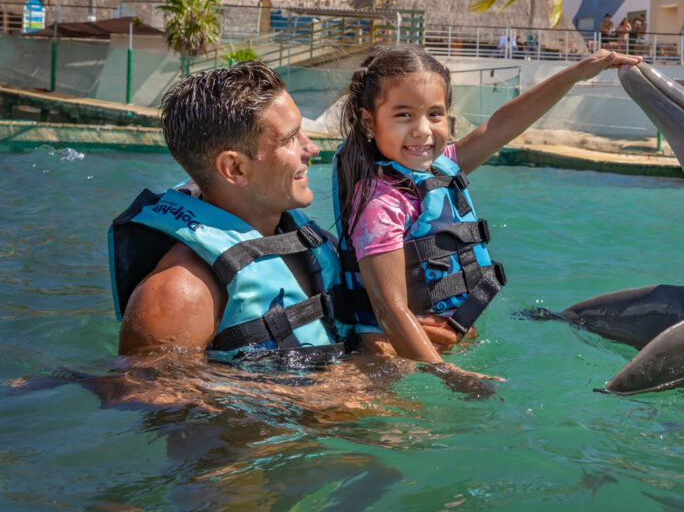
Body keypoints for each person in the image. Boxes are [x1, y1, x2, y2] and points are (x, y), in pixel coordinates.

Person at [332, 45, 640, 374]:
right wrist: (448, 374)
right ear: (368, 121)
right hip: (394, 362)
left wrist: (578, 72)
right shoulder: (381, 205)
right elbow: (389, 310)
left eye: (434, 114)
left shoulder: (441, 167)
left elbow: (500, 125)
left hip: (436, 351)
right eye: (403, 114)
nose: (422, 129)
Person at [111, 61, 352, 358]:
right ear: (235, 168)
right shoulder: (180, 294)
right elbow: (144, 399)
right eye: (289, 138)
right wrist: (328, 392)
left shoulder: (301, 241)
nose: (312, 148)